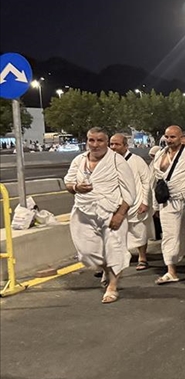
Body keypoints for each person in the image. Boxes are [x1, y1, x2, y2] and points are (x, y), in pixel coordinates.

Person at [64, 127, 137, 304]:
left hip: (111, 212)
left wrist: (120, 214)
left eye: (100, 140)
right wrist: (76, 188)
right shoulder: (79, 160)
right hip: (83, 211)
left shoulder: (117, 161)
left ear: (106, 142)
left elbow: (130, 191)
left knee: (114, 249)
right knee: (87, 253)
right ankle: (106, 269)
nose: (95, 144)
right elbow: (68, 182)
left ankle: (112, 286)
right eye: (91, 140)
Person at [151, 125, 185, 285]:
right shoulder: (160, 155)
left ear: (180, 137)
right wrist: (155, 205)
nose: (169, 140)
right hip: (167, 201)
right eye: (167, 137)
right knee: (169, 235)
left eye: (173, 137)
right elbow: (155, 181)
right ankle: (171, 271)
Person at [109, 133, 153, 271]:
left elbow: (146, 181)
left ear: (126, 146)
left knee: (139, 231)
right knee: (117, 233)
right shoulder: (108, 161)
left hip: (136, 202)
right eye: (111, 144)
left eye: (117, 144)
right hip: (117, 203)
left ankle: (142, 258)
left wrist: (145, 202)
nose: (113, 147)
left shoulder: (136, 160)